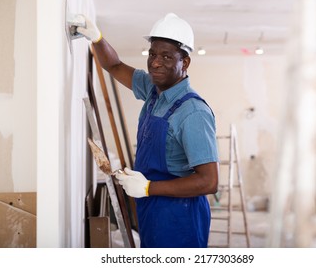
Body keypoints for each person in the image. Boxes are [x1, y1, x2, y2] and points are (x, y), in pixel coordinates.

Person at [78, 13, 219, 248]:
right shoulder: (154, 91)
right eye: (152, 54)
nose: (155, 62)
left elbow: (209, 181)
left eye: (166, 56)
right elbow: (114, 65)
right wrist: (97, 38)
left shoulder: (193, 112)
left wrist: (147, 187)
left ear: (184, 62)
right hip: (152, 210)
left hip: (180, 219)